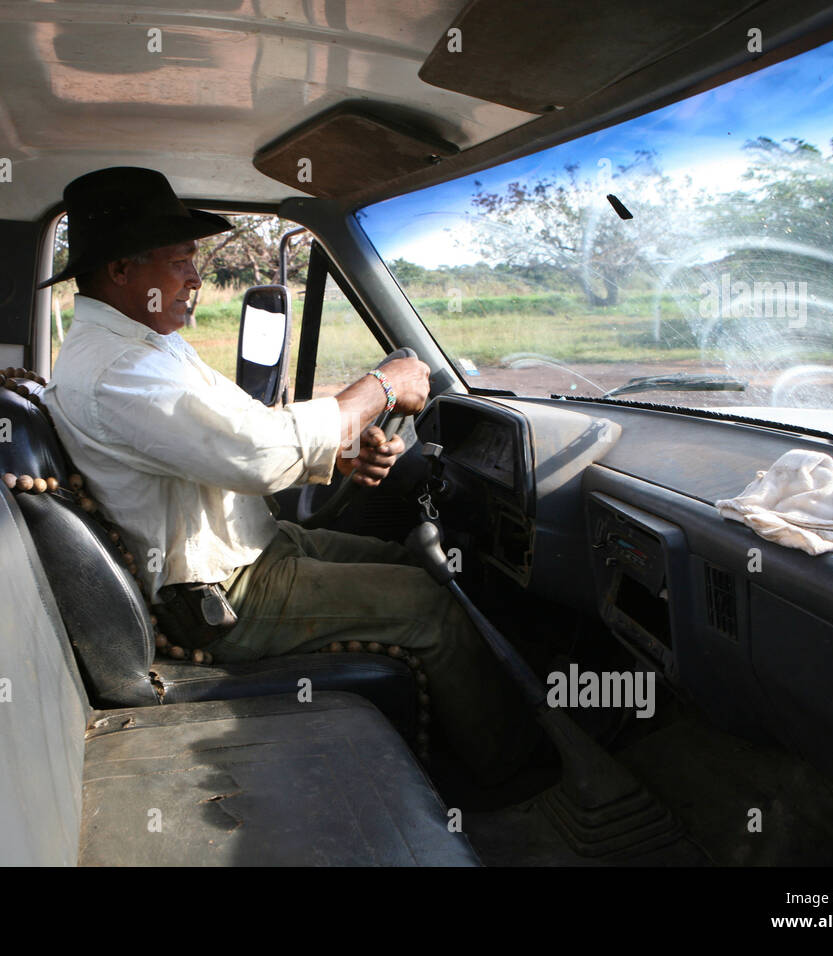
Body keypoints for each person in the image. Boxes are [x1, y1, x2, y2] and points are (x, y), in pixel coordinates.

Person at [41, 167, 537, 794]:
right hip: (221, 598)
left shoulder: (147, 344)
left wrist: (341, 446)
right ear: (119, 271)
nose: (197, 279)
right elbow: (252, 452)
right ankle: (517, 786)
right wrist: (382, 385)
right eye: (179, 263)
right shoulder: (119, 367)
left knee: (408, 563)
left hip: (251, 549)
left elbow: (238, 429)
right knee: (431, 608)